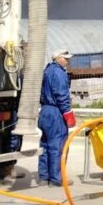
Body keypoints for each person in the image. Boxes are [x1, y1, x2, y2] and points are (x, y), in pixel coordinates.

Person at [37, 49, 76, 187]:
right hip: (55, 112)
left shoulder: (47, 70)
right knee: (57, 146)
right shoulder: (59, 73)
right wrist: (68, 113)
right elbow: (61, 94)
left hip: (45, 111)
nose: (68, 61)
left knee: (45, 145)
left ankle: (43, 177)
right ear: (58, 58)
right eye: (66, 58)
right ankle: (56, 178)